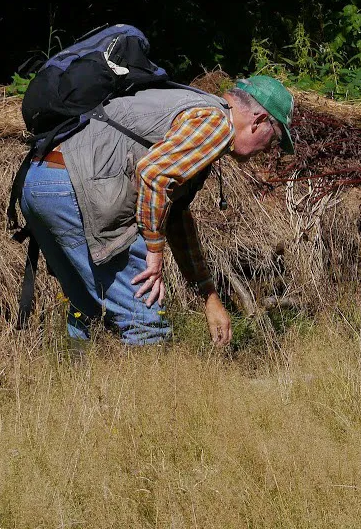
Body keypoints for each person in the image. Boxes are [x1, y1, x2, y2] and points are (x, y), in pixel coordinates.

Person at [19, 76, 294, 347]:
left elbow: (173, 214)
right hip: (74, 188)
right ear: (259, 121)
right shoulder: (218, 123)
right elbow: (154, 176)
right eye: (275, 140)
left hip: (40, 181)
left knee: (86, 309)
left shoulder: (193, 107)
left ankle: (78, 384)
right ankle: (154, 389)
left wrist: (209, 294)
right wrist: (154, 252)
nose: (270, 150)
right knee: (145, 322)